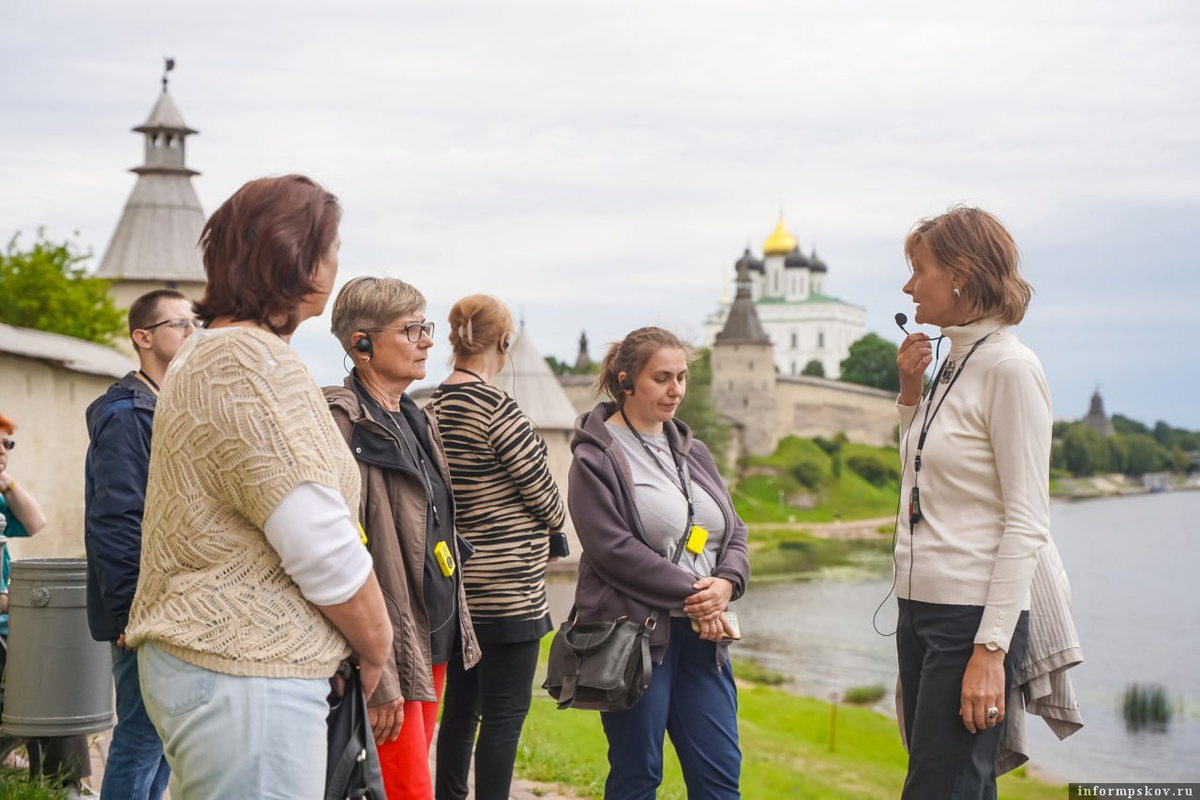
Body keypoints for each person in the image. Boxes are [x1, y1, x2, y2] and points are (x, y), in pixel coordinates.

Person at [123, 174, 392, 800]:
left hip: (225, 665)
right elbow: (315, 534)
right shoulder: (247, 361)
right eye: (330, 245)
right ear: (293, 255)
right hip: (244, 670)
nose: (335, 261)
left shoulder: (216, 350)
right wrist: (376, 646)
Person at [894, 206, 1050, 798]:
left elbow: (1027, 520)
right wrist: (911, 396)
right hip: (919, 608)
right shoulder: (954, 363)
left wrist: (990, 649)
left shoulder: (1010, 367)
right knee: (952, 784)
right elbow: (923, 478)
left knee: (941, 787)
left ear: (959, 273)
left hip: (968, 619)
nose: (909, 287)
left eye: (919, 270)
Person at [568, 326, 750, 800]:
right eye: (662, 378)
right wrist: (697, 595)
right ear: (626, 381)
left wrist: (727, 584)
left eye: (683, 378)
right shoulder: (595, 456)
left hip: (705, 638)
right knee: (638, 775)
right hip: (637, 641)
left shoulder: (694, 450)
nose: (676, 391)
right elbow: (613, 550)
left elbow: (734, 530)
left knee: (720, 776)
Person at [325, 276, 481, 800]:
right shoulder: (344, 426)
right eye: (411, 329)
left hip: (428, 640)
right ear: (361, 344)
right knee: (404, 789)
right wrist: (381, 674)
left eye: (425, 326)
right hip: (387, 650)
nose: (428, 341)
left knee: (411, 784)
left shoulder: (415, 418)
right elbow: (344, 558)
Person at [427, 295, 567, 800]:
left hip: (457, 590)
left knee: (460, 712)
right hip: (510, 591)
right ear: (504, 342)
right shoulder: (498, 409)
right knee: (505, 717)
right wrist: (551, 527)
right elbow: (548, 499)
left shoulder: (431, 409)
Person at [83, 289, 198, 799]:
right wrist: (133, 608)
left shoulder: (164, 406)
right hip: (143, 608)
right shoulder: (130, 415)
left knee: (163, 735)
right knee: (140, 732)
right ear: (143, 337)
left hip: (167, 605)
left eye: (197, 323)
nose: (192, 333)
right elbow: (117, 519)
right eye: (180, 324)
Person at [0, 413, 92, 794]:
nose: (4, 452)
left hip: (10, 627)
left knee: (57, 684)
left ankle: (64, 784)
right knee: (40, 687)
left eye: (8, 445)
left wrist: (7, 482)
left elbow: (36, 521)